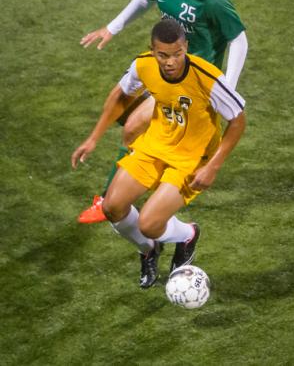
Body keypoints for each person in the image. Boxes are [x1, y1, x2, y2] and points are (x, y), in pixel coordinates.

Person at [79, 0, 248, 222]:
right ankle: (126, 189)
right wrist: (112, 27)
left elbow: (239, 39)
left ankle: (117, 197)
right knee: (131, 128)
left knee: (133, 126)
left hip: (194, 83)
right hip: (165, 69)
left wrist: (226, 87)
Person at [72, 19, 246, 288]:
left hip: (191, 158)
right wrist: (94, 137)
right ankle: (148, 250)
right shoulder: (143, 65)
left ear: (185, 47)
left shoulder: (206, 77)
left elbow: (238, 120)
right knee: (111, 207)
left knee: (150, 223)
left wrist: (214, 165)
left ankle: (187, 234)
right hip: (155, 145)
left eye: (177, 54)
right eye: (163, 55)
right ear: (152, 50)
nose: (170, 62)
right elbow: (121, 95)